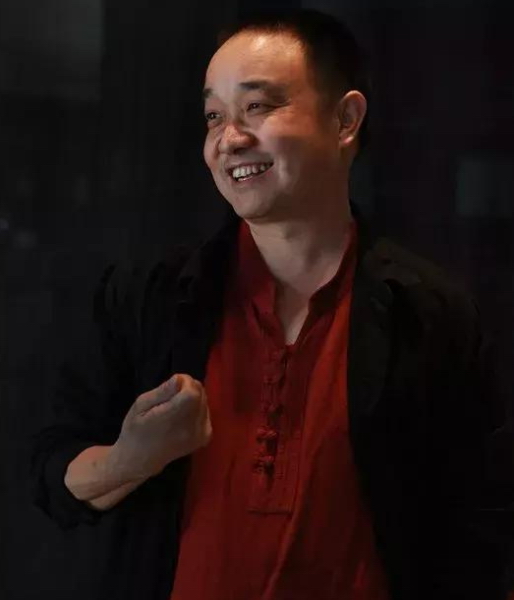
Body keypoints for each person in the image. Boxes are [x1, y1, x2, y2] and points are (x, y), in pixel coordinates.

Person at [30, 8, 514, 600]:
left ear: (345, 120)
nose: (229, 139)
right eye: (214, 116)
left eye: (256, 106)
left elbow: (481, 529)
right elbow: (52, 472)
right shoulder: (148, 298)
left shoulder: (430, 314)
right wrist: (132, 457)